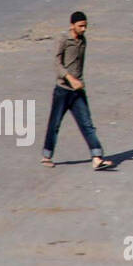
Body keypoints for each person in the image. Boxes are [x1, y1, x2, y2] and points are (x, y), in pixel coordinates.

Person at [41, 11, 114, 171]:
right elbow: (56, 63)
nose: (84, 29)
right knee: (55, 124)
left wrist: (79, 82)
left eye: (85, 26)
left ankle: (96, 157)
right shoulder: (63, 39)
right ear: (72, 25)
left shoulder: (82, 41)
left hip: (78, 91)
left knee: (87, 124)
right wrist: (70, 78)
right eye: (81, 26)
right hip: (62, 90)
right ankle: (46, 156)